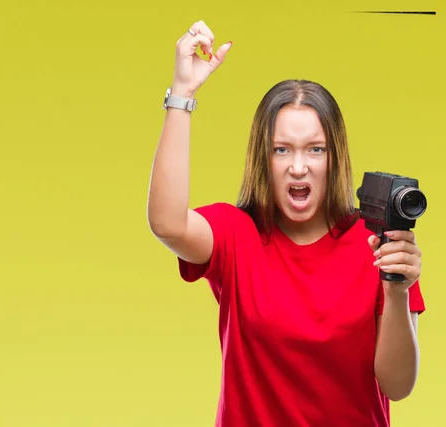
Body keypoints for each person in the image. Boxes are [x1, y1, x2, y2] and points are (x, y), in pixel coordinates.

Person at [147, 20, 426, 427]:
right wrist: (182, 95)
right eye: (282, 150)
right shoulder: (235, 235)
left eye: (315, 149)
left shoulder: (379, 246)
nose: (298, 167)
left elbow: (397, 385)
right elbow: (167, 224)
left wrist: (397, 290)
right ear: (265, 159)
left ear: (335, 158)